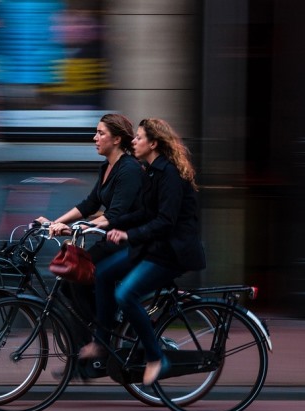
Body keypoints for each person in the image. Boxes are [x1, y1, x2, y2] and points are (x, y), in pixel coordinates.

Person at [80, 118, 206, 386]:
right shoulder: (150, 171)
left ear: (154, 143)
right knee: (102, 273)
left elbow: (165, 221)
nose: (133, 142)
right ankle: (102, 343)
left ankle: (156, 357)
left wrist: (128, 234)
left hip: (172, 252)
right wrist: (111, 223)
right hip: (152, 247)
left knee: (126, 294)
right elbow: (144, 212)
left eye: (138, 138)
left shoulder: (169, 173)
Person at [35, 113, 144, 324]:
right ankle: (99, 330)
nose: (95, 138)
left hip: (127, 242)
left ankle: (101, 334)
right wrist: (55, 222)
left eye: (100, 133)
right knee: (71, 281)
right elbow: (90, 204)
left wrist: (78, 228)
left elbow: (115, 215)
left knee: (78, 277)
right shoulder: (106, 167)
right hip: (109, 240)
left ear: (116, 139)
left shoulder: (129, 169)